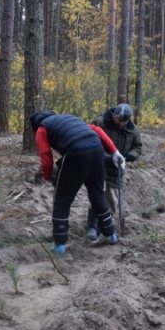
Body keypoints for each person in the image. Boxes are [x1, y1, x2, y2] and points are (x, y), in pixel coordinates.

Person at [30, 111, 126, 254]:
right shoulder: (69, 118)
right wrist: (114, 151)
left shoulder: (42, 128)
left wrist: (47, 176)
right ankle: (109, 234)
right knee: (97, 193)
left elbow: (46, 157)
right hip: (96, 148)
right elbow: (96, 129)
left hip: (77, 152)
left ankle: (59, 244)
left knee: (62, 200)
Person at [85, 104, 142, 243]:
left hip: (116, 170)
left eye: (124, 121)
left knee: (112, 201)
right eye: (119, 120)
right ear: (114, 116)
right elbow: (90, 141)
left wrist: (130, 156)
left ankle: (102, 231)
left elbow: (138, 147)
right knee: (97, 196)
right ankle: (91, 227)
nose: (121, 123)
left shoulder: (133, 131)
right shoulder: (100, 123)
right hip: (98, 166)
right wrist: (107, 158)